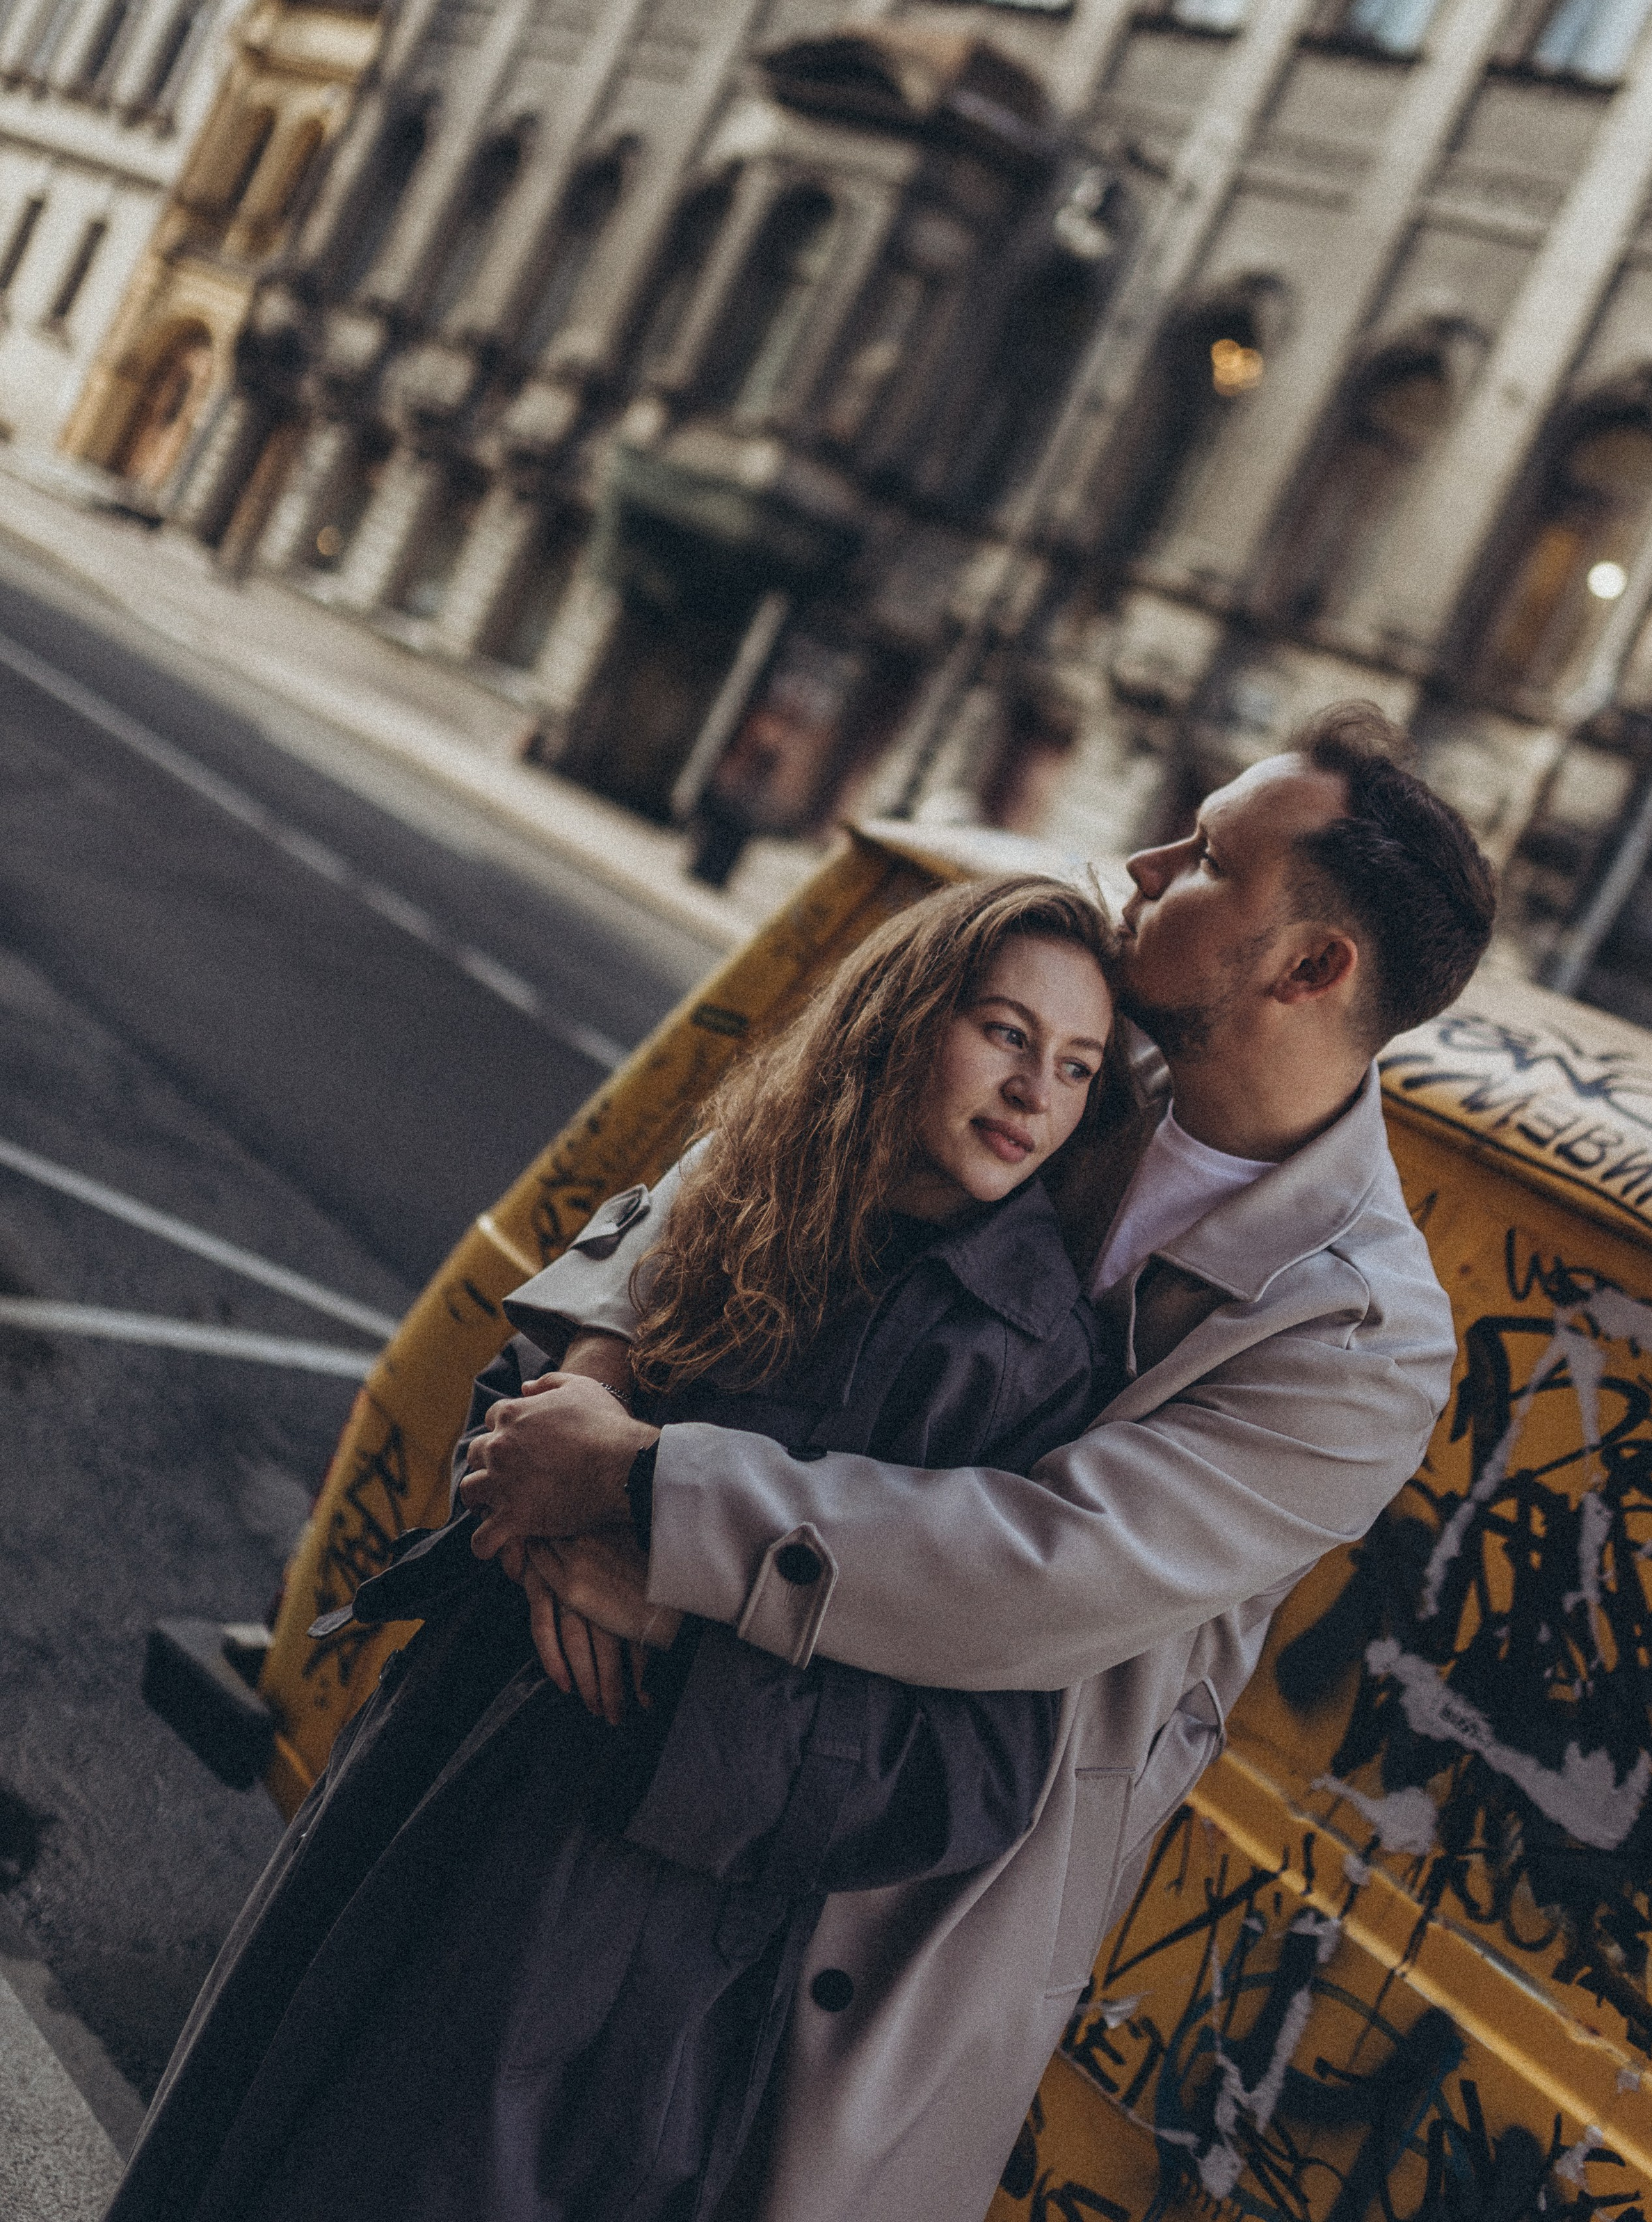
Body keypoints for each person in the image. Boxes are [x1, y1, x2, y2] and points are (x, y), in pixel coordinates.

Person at [455, 703, 1498, 2222]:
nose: (1145, 859)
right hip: (625, 1770)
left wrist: (637, 1497)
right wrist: (593, 1398)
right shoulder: (1060, 1040)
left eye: (1204, 854)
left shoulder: (1360, 1335)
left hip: (893, 1921)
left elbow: (1038, 1569)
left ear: (1308, 966)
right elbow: (738, 1173)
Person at [106, 877, 1135, 2222]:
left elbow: (979, 1769)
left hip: (618, 1933)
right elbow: (531, 1411)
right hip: (434, 1775)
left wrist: (671, 1616)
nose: (1035, 1091)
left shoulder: (1023, 1362)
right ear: (903, 1017)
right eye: (1004, 1032)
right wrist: (543, 1522)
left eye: (1076, 1065)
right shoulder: (758, 1180)